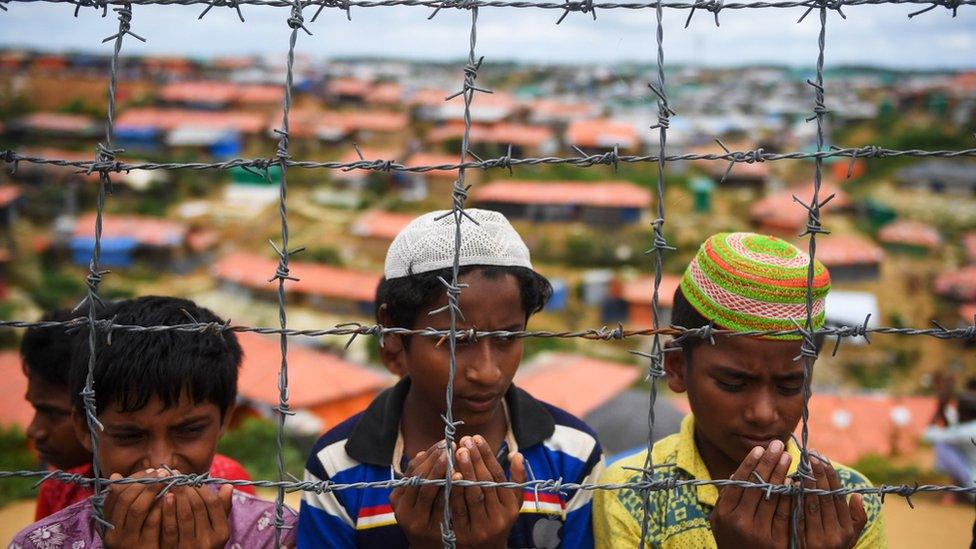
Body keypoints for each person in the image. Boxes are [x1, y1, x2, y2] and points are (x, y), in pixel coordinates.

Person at [298, 209, 604, 548]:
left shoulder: (572, 454)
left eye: (506, 338)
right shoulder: (338, 467)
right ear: (394, 331)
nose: (487, 371)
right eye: (456, 341)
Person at [593, 232, 886, 548]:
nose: (762, 413)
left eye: (790, 386)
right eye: (733, 383)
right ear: (677, 367)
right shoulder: (634, 493)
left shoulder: (846, 505)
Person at [11, 296, 295, 548]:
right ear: (85, 429)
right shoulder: (44, 542)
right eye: (129, 436)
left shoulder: (276, 535)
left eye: (189, 431)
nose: (161, 466)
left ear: (225, 419)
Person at [924, 373, 976, 497]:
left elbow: (928, 435)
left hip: (973, 486)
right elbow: (952, 431)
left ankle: (958, 491)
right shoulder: (968, 429)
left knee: (941, 445)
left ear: (964, 413)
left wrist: (940, 408)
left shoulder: (967, 431)